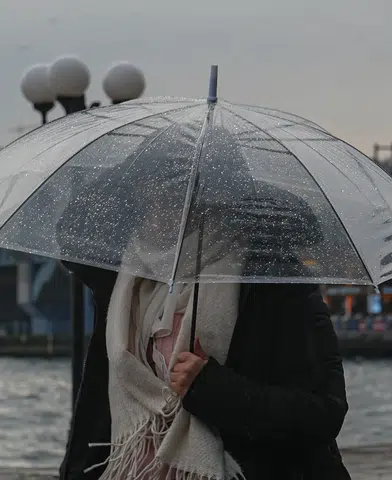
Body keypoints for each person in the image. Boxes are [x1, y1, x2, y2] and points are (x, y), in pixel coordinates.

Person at [56, 128, 352, 479]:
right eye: (144, 189)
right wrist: (137, 161)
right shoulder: (124, 273)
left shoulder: (270, 281)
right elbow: (71, 232)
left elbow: (323, 412)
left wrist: (211, 388)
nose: (154, 207)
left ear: (213, 197)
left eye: (172, 193)